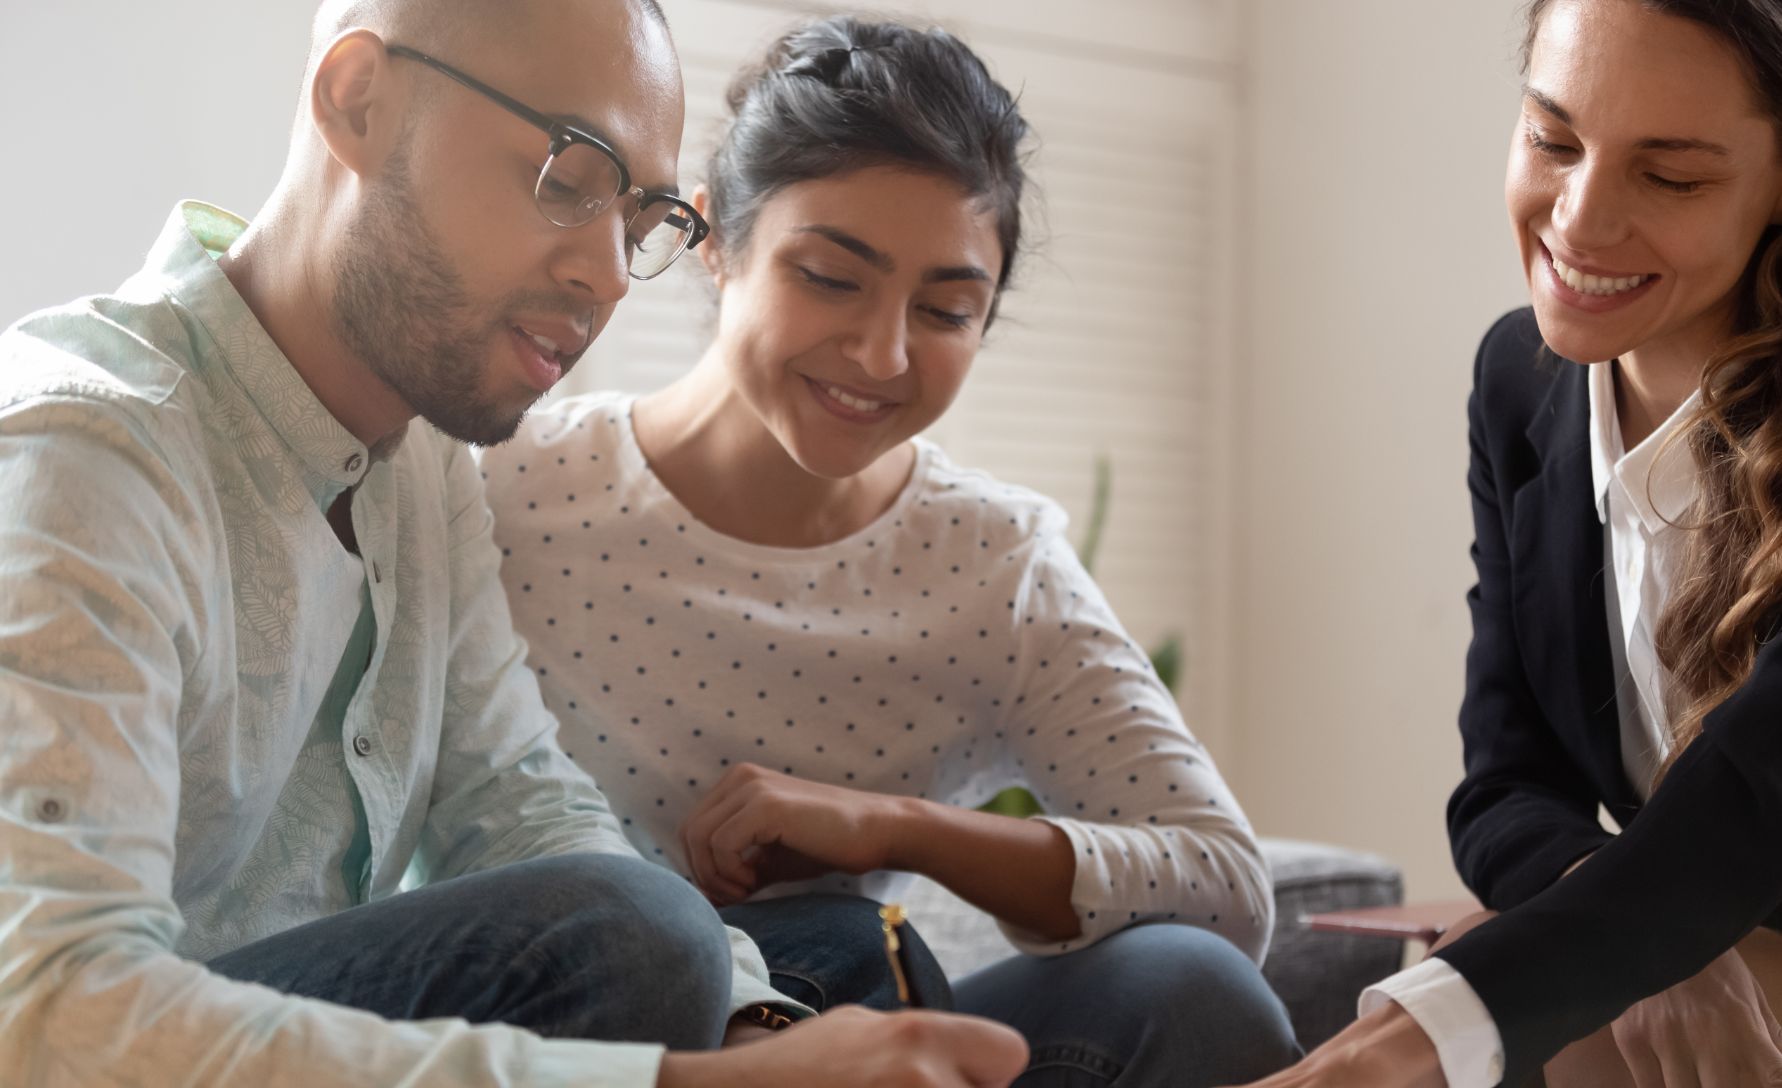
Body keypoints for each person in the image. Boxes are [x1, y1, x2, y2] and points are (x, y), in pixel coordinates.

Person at [0, 1, 1031, 1085]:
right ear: (359, 100)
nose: (603, 275)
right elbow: (41, 1014)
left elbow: (519, 796)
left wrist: (757, 1032)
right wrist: (685, 1083)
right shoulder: (86, 448)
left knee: (822, 961)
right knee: (640, 932)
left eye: (638, 217)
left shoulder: (423, 459)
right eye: (570, 173)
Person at [481, 15, 1300, 1087]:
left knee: (1191, 989)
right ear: (718, 238)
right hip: (578, 1036)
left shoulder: (989, 558)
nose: (883, 352)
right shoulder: (511, 490)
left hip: (850, 1019)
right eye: (830, 276)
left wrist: (884, 826)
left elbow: (1223, 880)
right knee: (831, 953)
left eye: (948, 308)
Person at [1234, 1, 1782, 1086]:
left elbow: (1746, 805)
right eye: (1553, 138)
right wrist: (1643, 934)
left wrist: (1388, 1050)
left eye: (1669, 177)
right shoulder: (1519, 383)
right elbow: (1502, 788)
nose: (1578, 221)